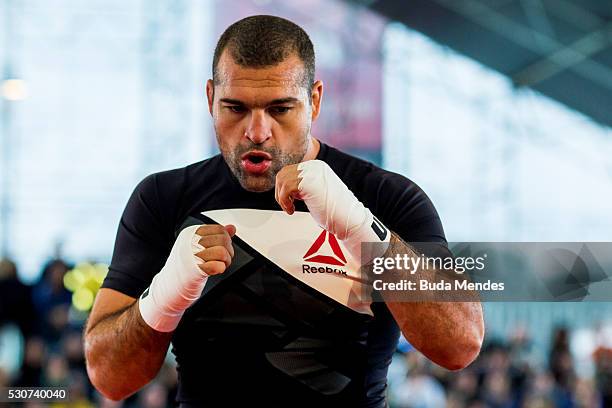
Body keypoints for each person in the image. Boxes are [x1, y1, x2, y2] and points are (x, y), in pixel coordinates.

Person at [83, 15, 484, 407]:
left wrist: (366, 233)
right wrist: (163, 297)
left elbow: (460, 345)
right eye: (235, 108)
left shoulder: (386, 197)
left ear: (314, 100)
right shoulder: (164, 199)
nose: (257, 131)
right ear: (210, 99)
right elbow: (110, 379)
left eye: (280, 109)